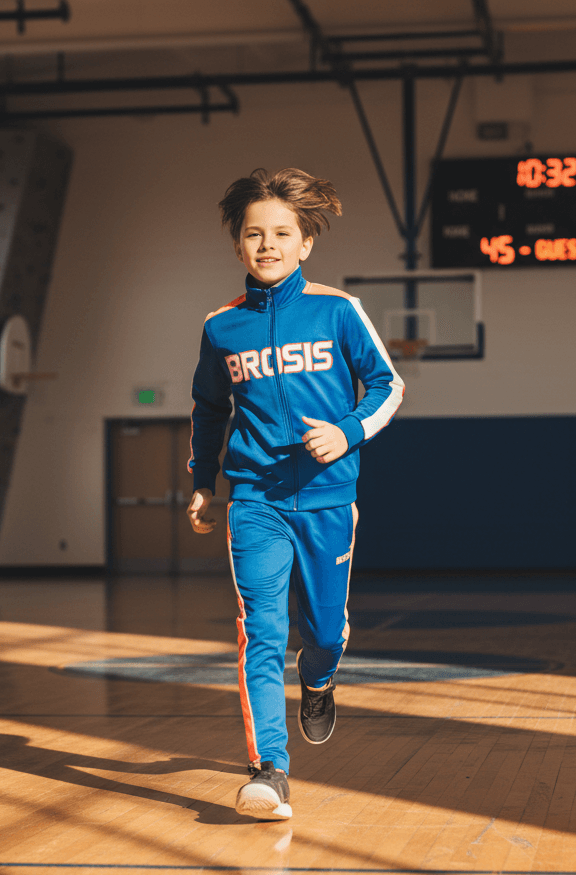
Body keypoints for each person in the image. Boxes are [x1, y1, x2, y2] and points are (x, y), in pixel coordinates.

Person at [186, 167, 403, 820]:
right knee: (261, 630)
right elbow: (207, 409)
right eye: (254, 234)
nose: (268, 244)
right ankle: (269, 770)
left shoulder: (338, 312)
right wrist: (202, 481)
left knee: (325, 631)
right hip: (255, 500)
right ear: (237, 244)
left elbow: (387, 386)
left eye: (282, 233)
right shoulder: (221, 328)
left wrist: (348, 432)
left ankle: (319, 678)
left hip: (330, 500)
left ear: (305, 243)